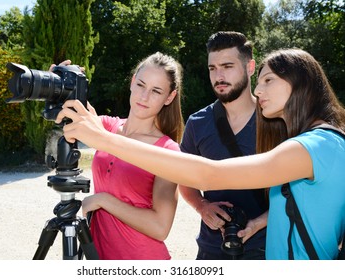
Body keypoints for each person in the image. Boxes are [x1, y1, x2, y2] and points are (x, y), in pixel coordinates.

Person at [55, 48, 345, 260]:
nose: (258, 88)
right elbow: (298, 207)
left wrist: (105, 142)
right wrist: (65, 86)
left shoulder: (314, 147)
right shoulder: (320, 144)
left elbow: (211, 173)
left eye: (268, 80)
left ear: (300, 83)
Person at [59, 52, 184, 259]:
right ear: (133, 81)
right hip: (98, 257)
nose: (144, 97)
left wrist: (104, 200)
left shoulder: (167, 150)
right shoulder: (107, 127)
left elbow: (160, 227)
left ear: (169, 97)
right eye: (141, 85)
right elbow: (72, 114)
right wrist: (59, 86)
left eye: (156, 91)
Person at [178, 31, 267, 260]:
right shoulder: (197, 123)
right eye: (212, 68)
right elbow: (184, 180)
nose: (218, 76)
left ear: (250, 67)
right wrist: (202, 206)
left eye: (227, 66)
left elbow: (295, 192)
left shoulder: (276, 121)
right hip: (211, 249)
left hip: (267, 247)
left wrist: (258, 223)